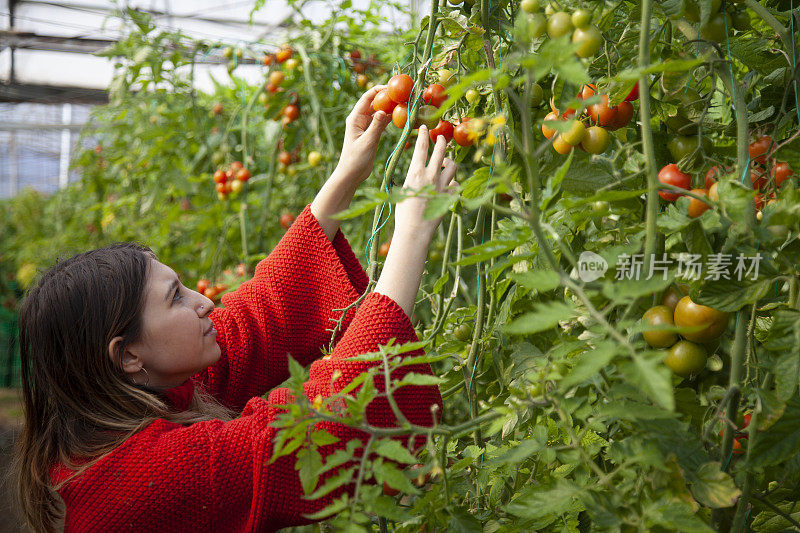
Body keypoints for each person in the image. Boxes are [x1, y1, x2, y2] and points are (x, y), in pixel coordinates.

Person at [12, 86, 458, 532]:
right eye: (175, 297)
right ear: (127, 355)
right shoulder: (141, 481)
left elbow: (259, 318)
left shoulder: (131, 402)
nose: (206, 301)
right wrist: (413, 233)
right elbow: (310, 434)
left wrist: (344, 176)